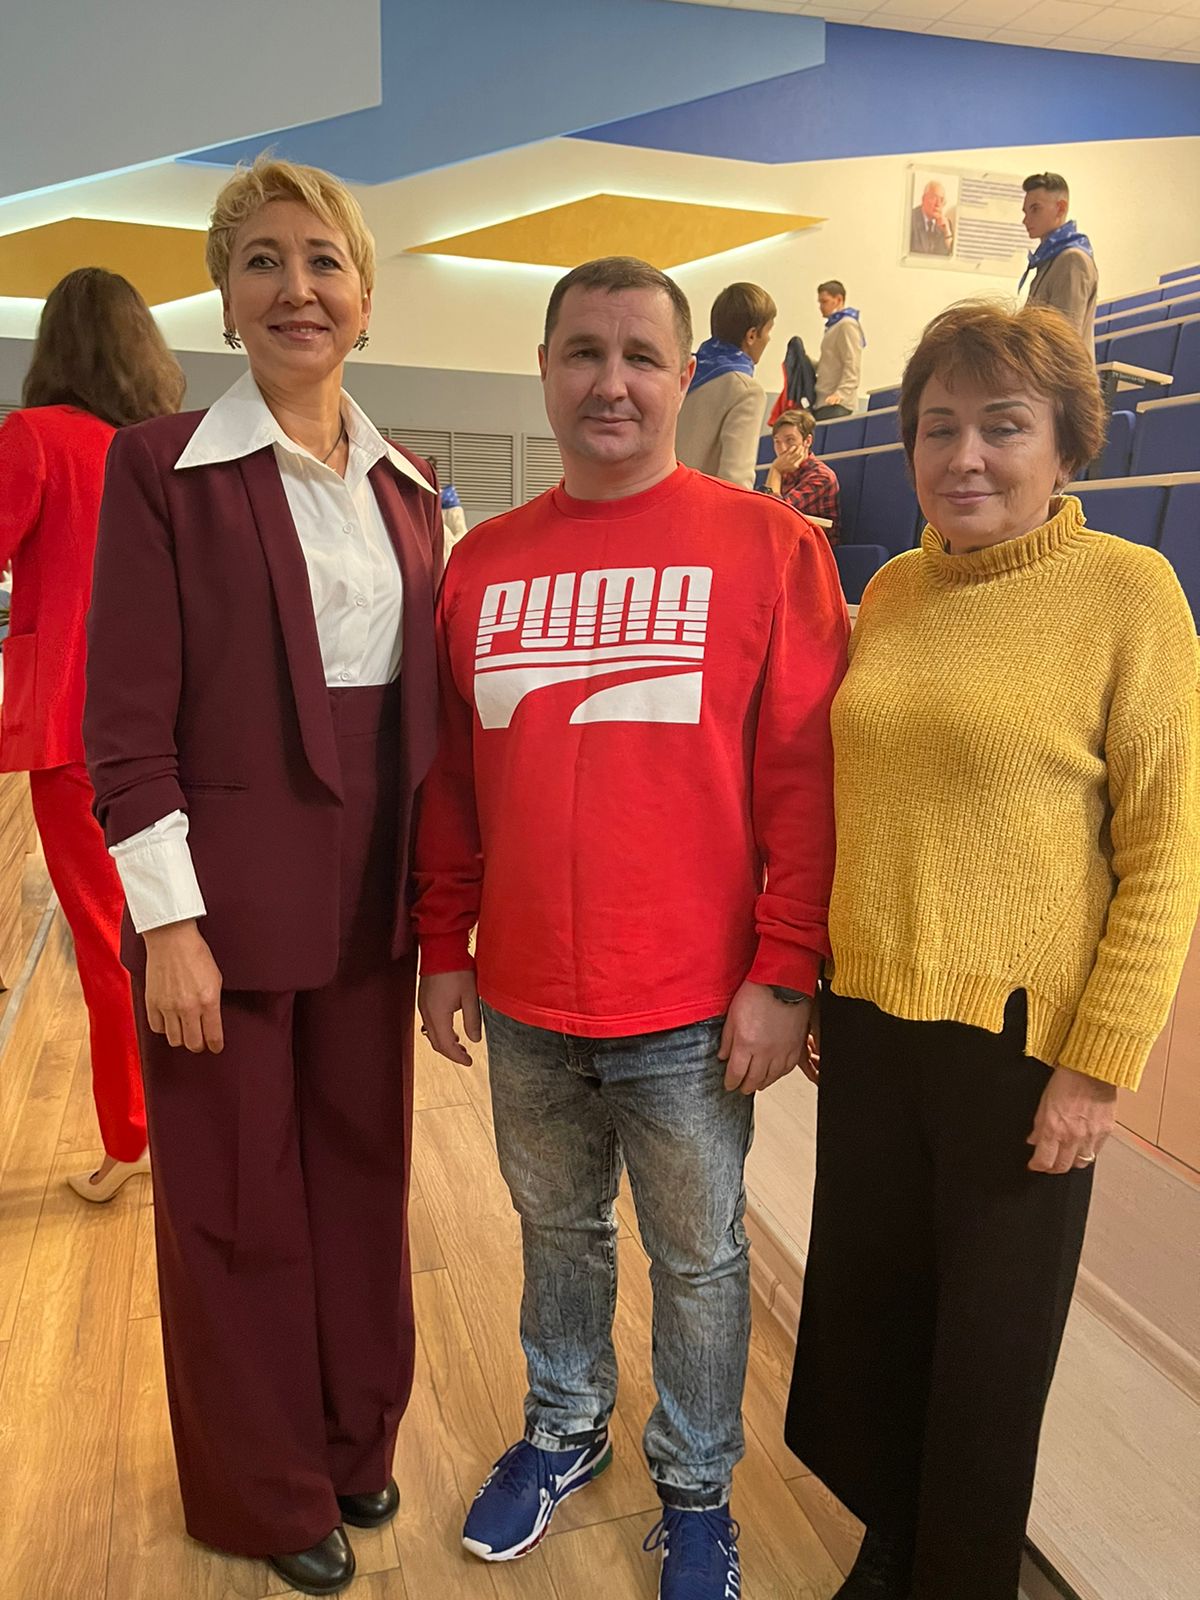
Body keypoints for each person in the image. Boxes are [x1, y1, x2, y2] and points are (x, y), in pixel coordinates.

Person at [414, 255, 848, 1600]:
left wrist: (787, 968)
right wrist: (443, 944)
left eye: (641, 356)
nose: (612, 382)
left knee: (701, 1260)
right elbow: (450, 779)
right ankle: (564, 1427)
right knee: (556, 1231)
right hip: (525, 992)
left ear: (683, 375)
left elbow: (807, 781)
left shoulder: (772, 549)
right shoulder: (479, 565)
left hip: (694, 1004)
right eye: (584, 354)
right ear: (544, 372)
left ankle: (698, 1490)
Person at [785, 301, 1198, 1600]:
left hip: (1022, 1054)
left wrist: (1097, 1066)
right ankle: (893, 1541)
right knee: (875, 1322)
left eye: (1002, 426)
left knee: (988, 1362)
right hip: (871, 1025)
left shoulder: (1130, 594)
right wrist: (823, 981)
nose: (965, 455)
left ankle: (959, 1578)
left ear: (1067, 443)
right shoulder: (899, 590)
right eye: (938, 427)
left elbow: (1166, 856)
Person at [84, 157, 442, 1597]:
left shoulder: (412, 490)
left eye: (324, 261)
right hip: (219, 915)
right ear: (224, 301)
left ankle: (353, 1439)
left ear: (366, 297)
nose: (298, 288)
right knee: (234, 1203)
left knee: (361, 1176)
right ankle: (261, 1484)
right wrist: (167, 926)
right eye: (263, 262)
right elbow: (126, 726)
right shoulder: (158, 470)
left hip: (370, 903)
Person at [0, 268, 184, 1203]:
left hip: (73, 726)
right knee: (169, 927)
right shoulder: (160, 449)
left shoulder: (33, 437)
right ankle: (185, 1123)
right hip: (167, 724)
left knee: (111, 942)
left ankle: (134, 1135)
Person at [675, 280, 774, 487]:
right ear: (752, 335)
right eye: (768, 331)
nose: (769, 339)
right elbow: (736, 480)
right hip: (699, 504)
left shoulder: (681, 373)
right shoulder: (746, 391)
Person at [1020, 172, 1098, 347]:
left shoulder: (1072, 260)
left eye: (1035, 209)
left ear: (1061, 208)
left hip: (1059, 365)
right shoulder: (1050, 259)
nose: (1026, 220)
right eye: (1026, 212)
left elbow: (1064, 340)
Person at [763, 408, 840, 543]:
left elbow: (776, 513)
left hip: (814, 548)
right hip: (787, 541)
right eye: (777, 442)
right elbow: (763, 513)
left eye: (790, 440)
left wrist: (775, 470)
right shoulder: (784, 472)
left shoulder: (821, 476)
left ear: (807, 441)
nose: (782, 449)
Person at [814, 280, 865, 419]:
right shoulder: (834, 326)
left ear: (838, 299)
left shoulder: (846, 325)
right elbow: (831, 363)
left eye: (824, 301)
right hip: (824, 400)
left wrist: (840, 394)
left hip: (837, 403)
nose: (821, 307)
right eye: (820, 302)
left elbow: (852, 363)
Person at [909, 180, 955, 257]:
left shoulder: (946, 224)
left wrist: (947, 233)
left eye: (941, 200)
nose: (938, 204)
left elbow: (952, 257)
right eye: (934, 198)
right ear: (923, 199)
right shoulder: (910, 219)